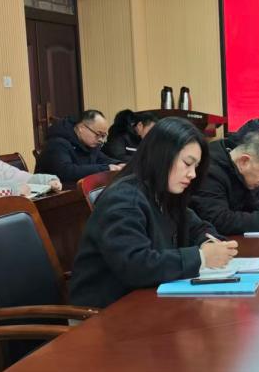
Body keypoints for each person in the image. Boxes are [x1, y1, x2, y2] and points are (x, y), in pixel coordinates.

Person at [69, 117, 238, 309]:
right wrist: (201, 257)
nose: (193, 174)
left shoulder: (163, 192)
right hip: (103, 313)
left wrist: (209, 243)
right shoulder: (124, 200)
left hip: (143, 302)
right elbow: (136, 266)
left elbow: (197, 226)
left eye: (196, 167)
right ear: (161, 155)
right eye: (187, 163)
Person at [192, 130, 259, 235]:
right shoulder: (210, 171)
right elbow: (219, 220)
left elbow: (249, 201)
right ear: (244, 161)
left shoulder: (236, 166)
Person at [35, 110, 124, 188]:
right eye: (98, 134)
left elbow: (102, 159)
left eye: (103, 136)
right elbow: (67, 172)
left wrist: (119, 164)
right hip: (56, 195)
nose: (101, 140)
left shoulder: (89, 144)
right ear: (81, 128)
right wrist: (106, 168)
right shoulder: (57, 143)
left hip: (79, 191)